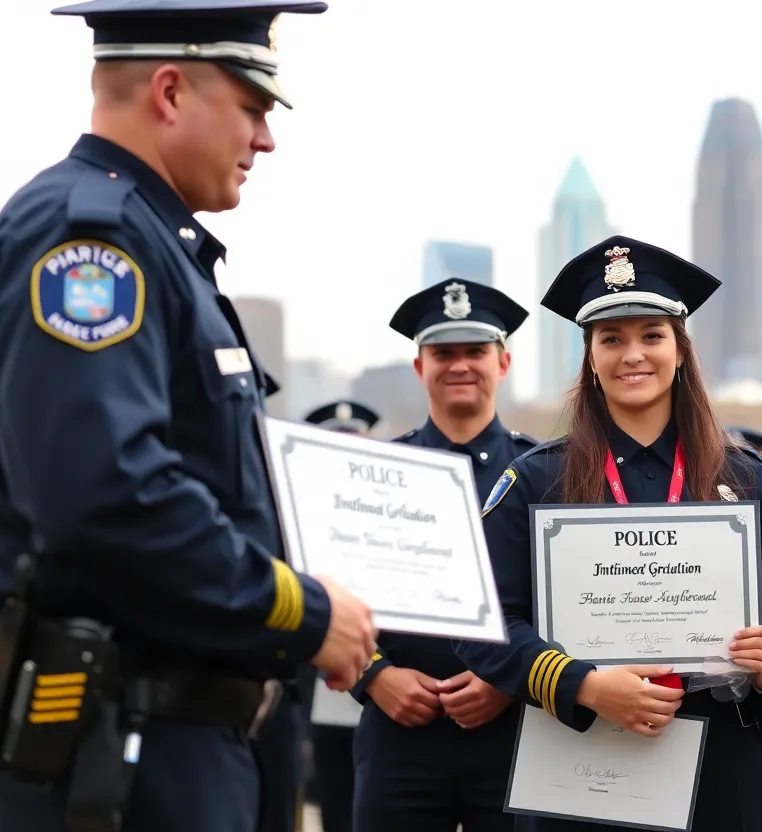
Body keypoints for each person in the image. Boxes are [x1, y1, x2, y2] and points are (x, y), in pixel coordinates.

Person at [0, 2, 378, 832]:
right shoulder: (93, 244)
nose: (267, 139)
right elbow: (106, 497)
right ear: (170, 91)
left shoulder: (156, 242)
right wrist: (304, 611)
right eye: (252, 107)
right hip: (127, 752)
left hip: (182, 743)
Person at [454, 235, 762, 832]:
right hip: (582, 762)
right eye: (611, 339)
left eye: (651, 335)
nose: (632, 355)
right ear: (590, 356)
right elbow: (483, 622)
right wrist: (584, 684)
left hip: (719, 766)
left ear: (680, 349)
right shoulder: (536, 480)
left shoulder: (746, 479)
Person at [348, 279, 537, 832]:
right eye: (443, 353)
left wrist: (509, 681)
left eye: (475, 351)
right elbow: (337, 593)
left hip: (515, 728)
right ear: (418, 366)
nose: (460, 365)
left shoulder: (543, 473)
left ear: (503, 362)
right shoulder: (376, 475)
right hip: (398, 731)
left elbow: (570, 597)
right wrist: (376, 677)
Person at [294, 401, 382, 832]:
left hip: (388, 678)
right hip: (324, 682)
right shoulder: (302, 512)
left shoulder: (388, 509)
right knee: (335, 800)